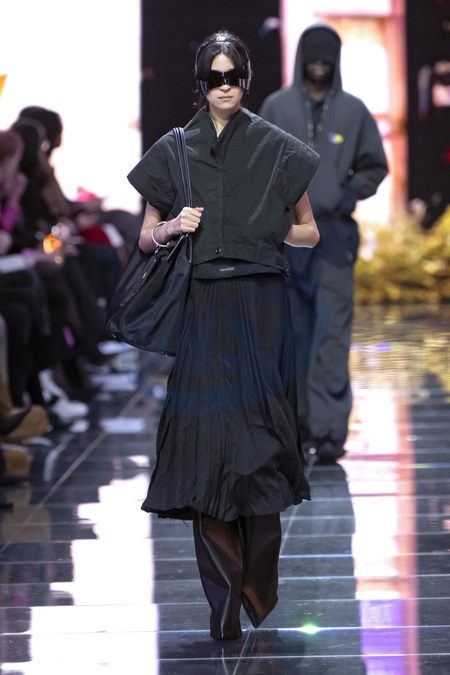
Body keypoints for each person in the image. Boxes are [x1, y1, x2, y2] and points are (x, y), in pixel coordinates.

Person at [127, 30, 320, 641]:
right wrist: (171, 228)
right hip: (205, 305)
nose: (225, 86)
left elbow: (310, 231)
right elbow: (144, 238)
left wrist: (268, 232)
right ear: (200, 84)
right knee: (204, 449)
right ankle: (223, 598)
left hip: (261, 306)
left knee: (260, 447)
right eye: (214, 77)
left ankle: (255, 584)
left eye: (233, 75)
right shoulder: (175, 149)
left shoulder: (276, 147)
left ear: (247, 79)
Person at [259, 23, 388, 462]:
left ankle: (330, 434)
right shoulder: (276, 107)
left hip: (333, 235)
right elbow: (256, 162)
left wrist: (347, 193)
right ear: (301, 57)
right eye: (312, 55)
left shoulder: (353, 111)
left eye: (326, 56)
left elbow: (374, 165)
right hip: (287, 234)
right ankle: (293, 429)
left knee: (332, 335)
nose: (319, 63)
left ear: (336, 60)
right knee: (290, 335)